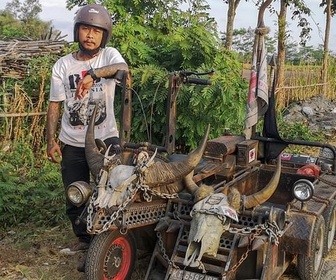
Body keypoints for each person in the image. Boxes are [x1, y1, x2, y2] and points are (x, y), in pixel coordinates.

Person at [46, 3, 128, 271]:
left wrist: (93, 74)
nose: (90, 35)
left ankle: (110, 240)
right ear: (77, 31)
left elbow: (123, 70)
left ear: (104, 35)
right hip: (72, 140)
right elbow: (55, 104)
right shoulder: (62, 65)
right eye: (85, 29)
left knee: (111, 193)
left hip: (106, 140)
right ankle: (84, 238)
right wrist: (51, 140)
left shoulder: (108, 56)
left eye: (96, 31)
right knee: (75, 194)